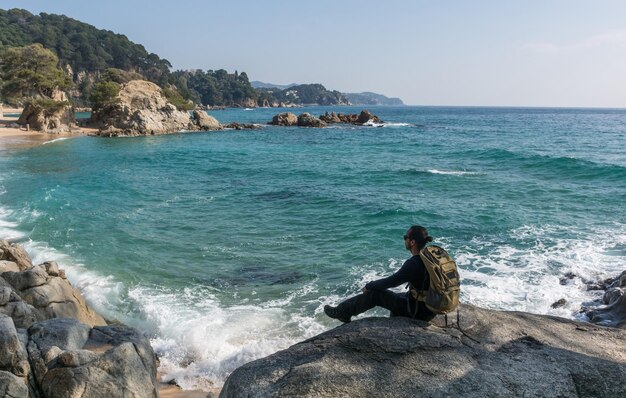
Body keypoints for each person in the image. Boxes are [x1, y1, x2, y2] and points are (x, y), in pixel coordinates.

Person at [324, 225, 436, 323]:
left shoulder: (413, 263)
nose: (404, 240)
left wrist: (369, 285)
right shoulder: (431, 258)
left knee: (375, 295)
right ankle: (394, 320)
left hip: (418, 312)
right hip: (430, 309)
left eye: (405, 237)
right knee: (397, 296)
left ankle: (342, 312)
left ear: (412, 242)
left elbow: (390, 282)